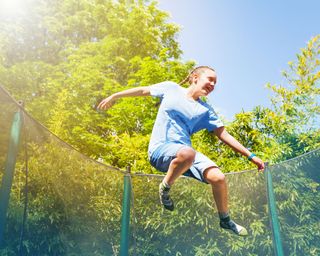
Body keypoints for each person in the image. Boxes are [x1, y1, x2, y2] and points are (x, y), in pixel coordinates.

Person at [97, 66, 265, 236]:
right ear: (195, 77)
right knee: (188, 153)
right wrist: (115, 95)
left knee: (218, 177)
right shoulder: (171, 89)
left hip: (185, 155)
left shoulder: (206, 110)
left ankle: (225, 219)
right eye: (210, 79)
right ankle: (165, 187)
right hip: (160, 150)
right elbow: (143, 90)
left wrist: (251, 156)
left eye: (215, 82)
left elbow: (223, 134)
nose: (213, 84)